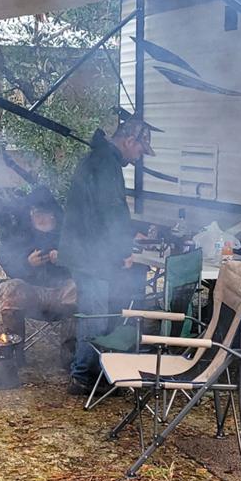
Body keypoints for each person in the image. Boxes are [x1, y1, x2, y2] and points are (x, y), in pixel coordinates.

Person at [61, 115, 154, 395]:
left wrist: (128, 234)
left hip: (88, 250)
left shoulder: (103, 158)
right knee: (95, 317)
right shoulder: (105, 163)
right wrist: (124, 248)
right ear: (129, 140)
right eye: (140, 151)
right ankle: (82, 378)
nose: (139, 158)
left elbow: (107, 211)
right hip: (90, 254)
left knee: (98, 313)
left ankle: (94, 371)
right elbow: (109, 211)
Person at [0, 187, 77, 358]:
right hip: (31, 293)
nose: (39, 217)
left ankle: (69, 358)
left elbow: (85, 257)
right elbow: (5, 257)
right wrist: (26, 263)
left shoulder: (68, 231)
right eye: (35, 212)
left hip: (62, 294)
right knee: (11, 288)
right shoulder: (21, 231)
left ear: (53, 213)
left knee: (77, 288)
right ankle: (14, 355)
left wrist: (66, 259)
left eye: (44, 212)